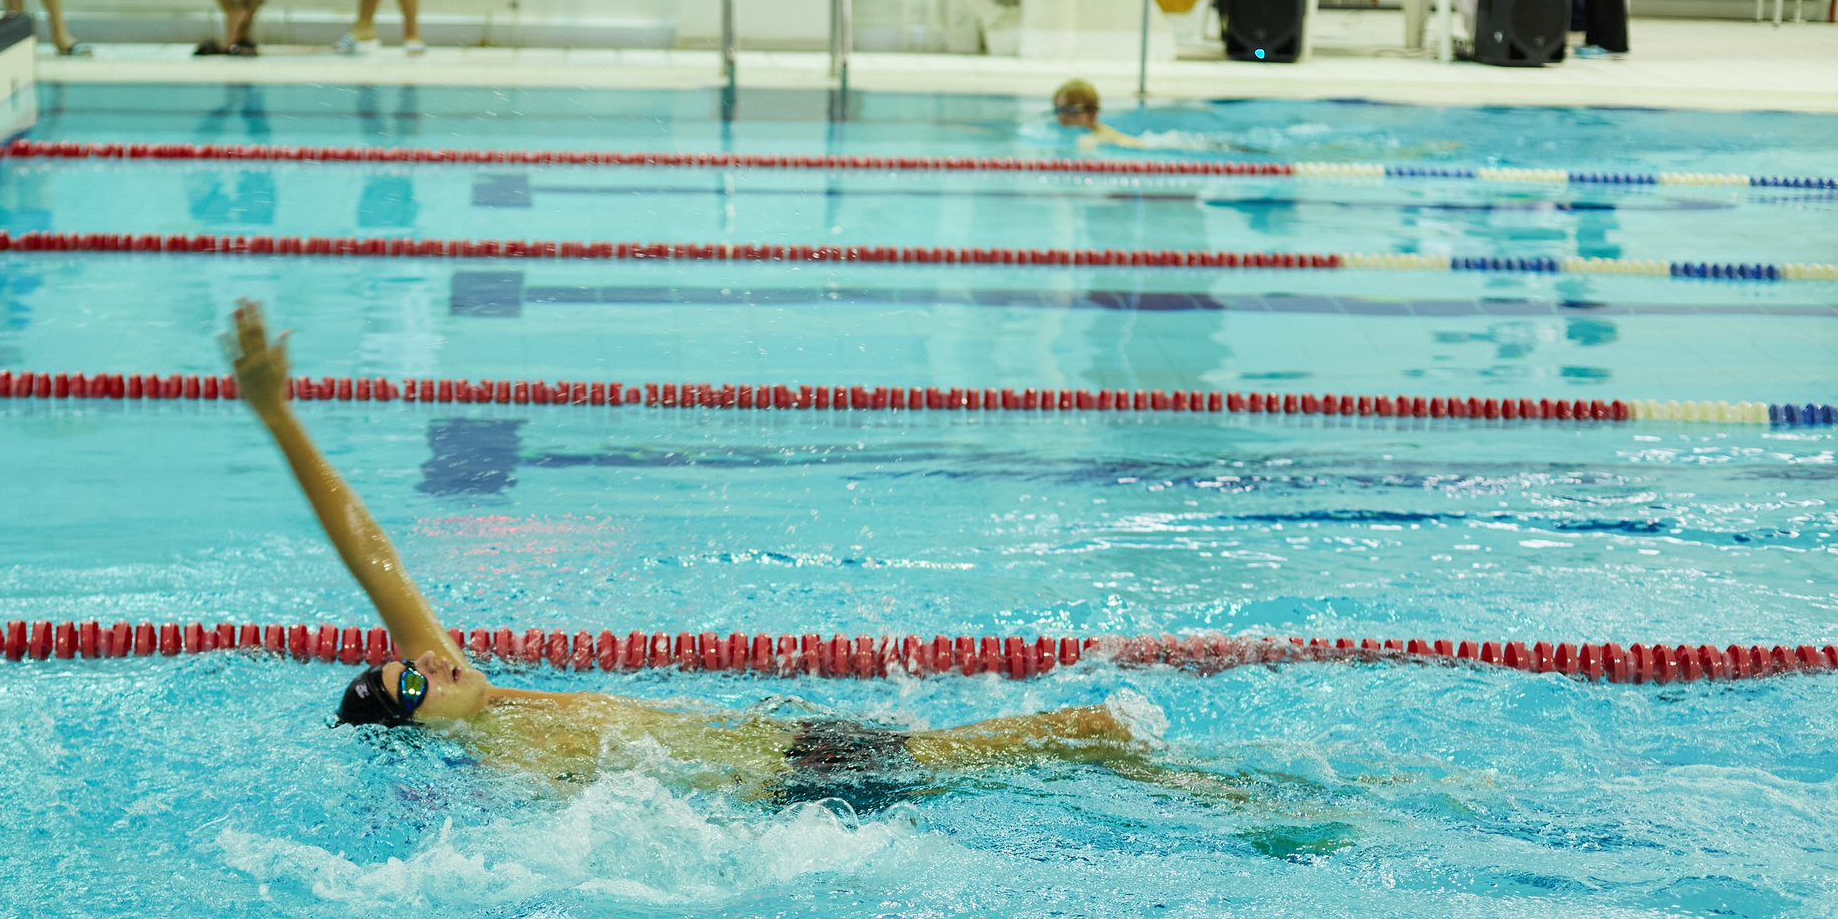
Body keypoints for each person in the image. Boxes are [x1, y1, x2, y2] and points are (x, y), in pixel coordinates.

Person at [224, 300, 1159, 799]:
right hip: (798, 780)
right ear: (419, 737)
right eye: (411, 685)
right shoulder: (503, 761)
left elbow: (374, 556)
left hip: (794, 752)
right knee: (1089, 736)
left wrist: (275, 414)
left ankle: (1237, 799)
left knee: (1083, 744)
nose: (423, 659)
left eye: (409, 659)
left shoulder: (472, 696)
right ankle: (1260, 812)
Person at [1049, 81, 1155, 150]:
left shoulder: (1091, 139)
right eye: (1058, 110)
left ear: (1092, 112)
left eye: (1071, 110)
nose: (1062, 116)